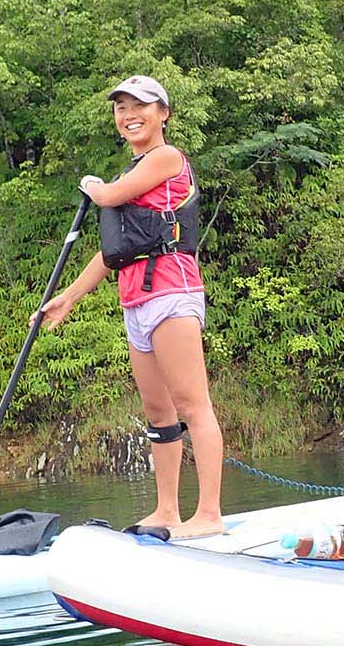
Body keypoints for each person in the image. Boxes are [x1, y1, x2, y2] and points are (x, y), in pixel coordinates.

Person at [39, 74, 225, 539]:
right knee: (157, 412)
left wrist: (92, 185)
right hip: (135, 300)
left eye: (140, 106)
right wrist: (69, 298)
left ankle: (208, 515)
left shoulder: (165, 158)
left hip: (172, 293)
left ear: (163, 113)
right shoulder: (132, 173)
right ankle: (166, 510)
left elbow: (107, 196)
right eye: (121, 108)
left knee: (191, 404)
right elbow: (113, 252)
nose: (129, 115)